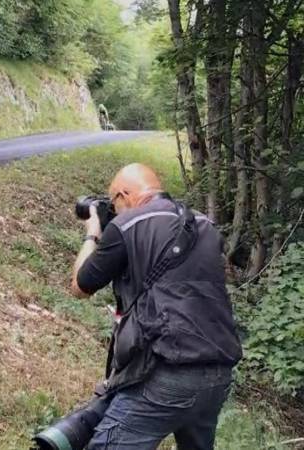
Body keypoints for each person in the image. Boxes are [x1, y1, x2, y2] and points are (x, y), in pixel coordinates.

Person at [70, 163, 242, 450]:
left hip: (168, 372)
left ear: (123, 196)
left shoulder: (127, 223)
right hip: (218, 372)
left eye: (113, 203)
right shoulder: (205, 225)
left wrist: (92, 233)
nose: (114, 211)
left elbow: (80, 286)